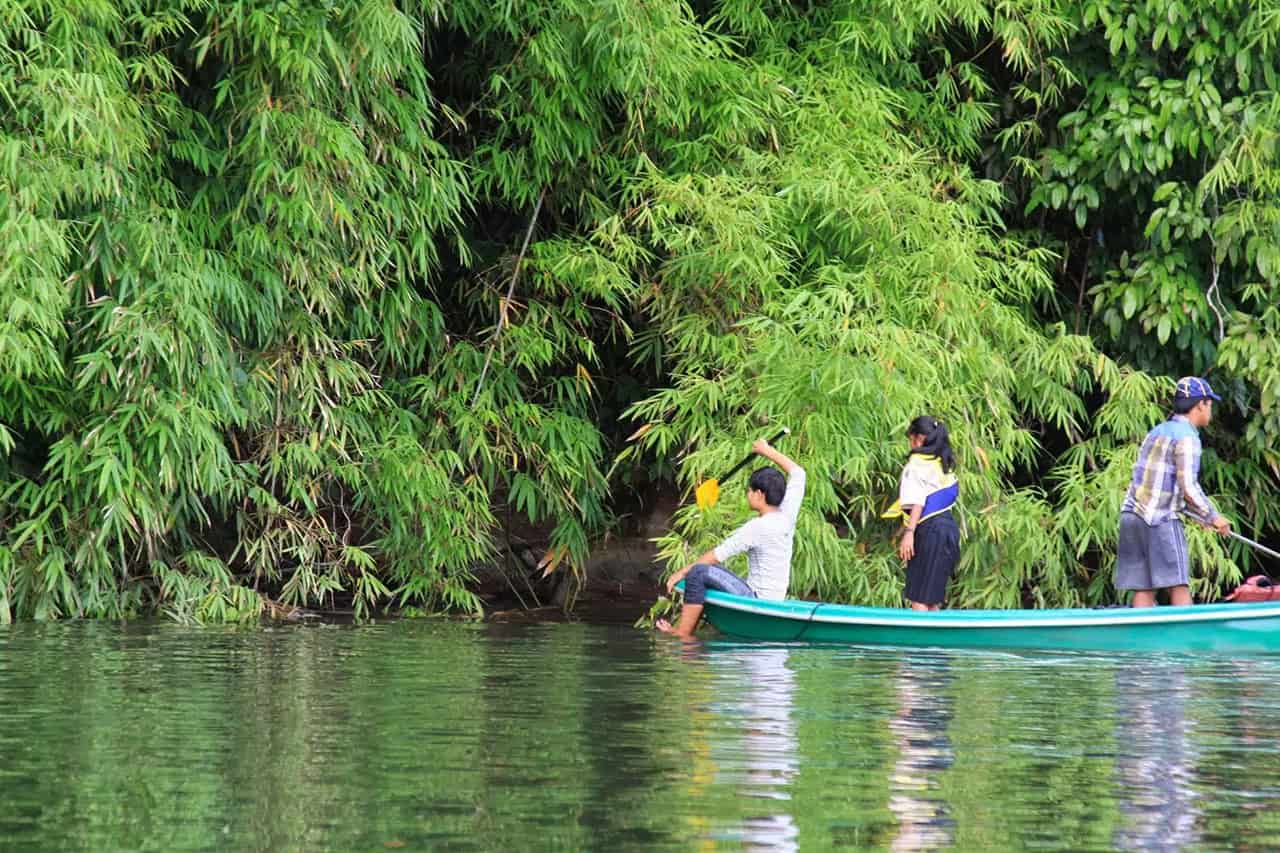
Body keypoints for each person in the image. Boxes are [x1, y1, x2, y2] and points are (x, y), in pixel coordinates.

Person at [657, 437, 805, 638]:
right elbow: (798, 473)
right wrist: (766, 450)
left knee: (698, 571)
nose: (748, 494)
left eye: (750, 491)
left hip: (756, 599)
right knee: (709, 570)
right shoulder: (787, 514)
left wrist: (681, 573)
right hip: (774, 597)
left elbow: (717, 555)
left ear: (759, 494)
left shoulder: (758, 527)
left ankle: (683, 635)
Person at [1117, 376, 1231, 608]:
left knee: (1143, 586)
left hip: (1131, 516)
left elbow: (1161, 483)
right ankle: (1187, 640)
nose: (1211, 411)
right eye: (1210, 404)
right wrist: (1213, 516)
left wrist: (1200, 517)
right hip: (1160, 519)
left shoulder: (1157, 431)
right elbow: (1188, 486)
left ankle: (1144, 642)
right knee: (1178, 583)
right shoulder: (1188, 438)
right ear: (1201, 404)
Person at [883, 416, 960, 611]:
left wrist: (909, 533)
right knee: (932, 597)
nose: (910, 443)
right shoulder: (942, 463)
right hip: (948, 529)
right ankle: (934, 641)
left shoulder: (916, 465)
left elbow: (917, 501)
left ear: (919, 438)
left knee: (918, 595)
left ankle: (920, 641)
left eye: (910, 438)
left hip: (930, 531)